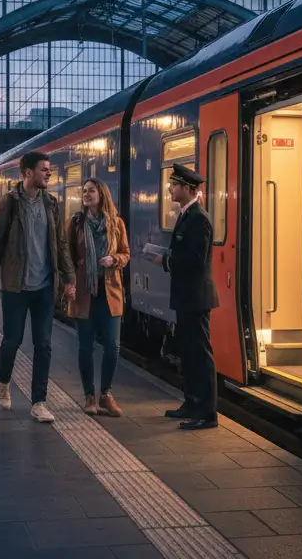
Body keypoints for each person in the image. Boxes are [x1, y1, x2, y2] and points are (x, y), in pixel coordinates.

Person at [0, 150, 74, 423]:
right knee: (12, 340)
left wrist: (69, 280)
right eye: (44, 169)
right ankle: (3, 382)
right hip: (15, 286)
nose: (49, 173)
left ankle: (39, 402)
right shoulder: (9, 203)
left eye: (49, 169)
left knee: (43, 344)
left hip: (44, 286)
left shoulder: (51, 204)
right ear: (28, 173)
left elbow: (61, 245)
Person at [144, 164, 219, 430]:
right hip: (187, 295)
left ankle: (207, 413)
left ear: (188, 189)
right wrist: (166, 257)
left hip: (196, 296)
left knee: (200, 354)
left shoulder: (199, 218)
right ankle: (191, 402)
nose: (170, 189)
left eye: (174, 185)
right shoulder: (187, 215)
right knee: (188, 352)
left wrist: (164, 259)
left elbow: (195, 260)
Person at [68, 178, 129, 417]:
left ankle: (106, 394)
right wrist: (68, 283)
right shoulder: (75, 223)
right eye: (84, 191)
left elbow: (125, 253)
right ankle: (89, 396)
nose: (86, 194)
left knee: (112, 347)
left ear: (101, 194)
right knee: (85, 348)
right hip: (84, 293)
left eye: (91, 191)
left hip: (110, 292)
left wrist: (114, 260)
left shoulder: (116, 223)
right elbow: (67, 255)